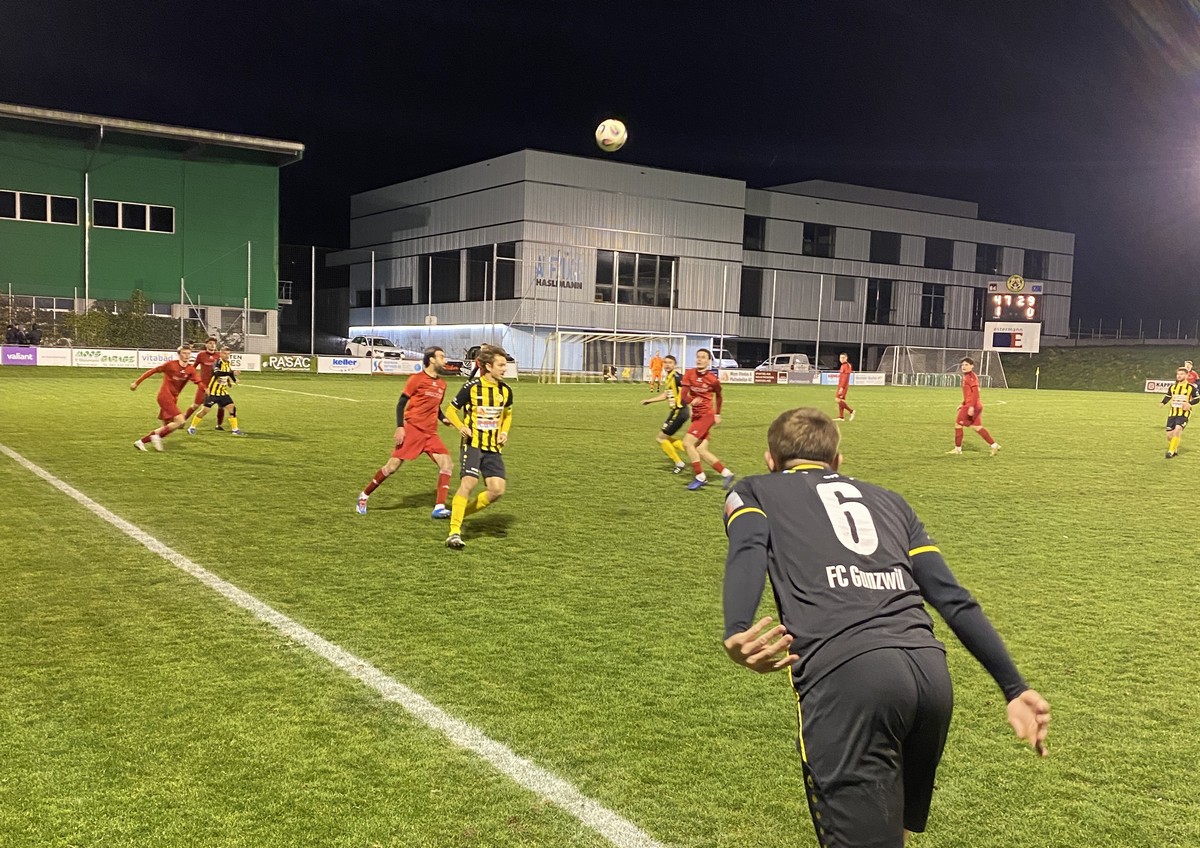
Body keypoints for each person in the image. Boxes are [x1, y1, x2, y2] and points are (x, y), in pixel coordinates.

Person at [722, 407, 1050, 847]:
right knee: (891, 835)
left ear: (770, 460)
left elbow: (747, 546)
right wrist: (1013, 686)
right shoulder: (892, 502)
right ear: (837, 461)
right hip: (929, 677)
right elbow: (952, 598)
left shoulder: (754, 490)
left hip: (850, 679)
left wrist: (737, 628)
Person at [357, 346, 455, 518]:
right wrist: (400, 427)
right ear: (431, 359)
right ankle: (364, 495)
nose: (444, 360)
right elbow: (401, 403)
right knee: (392, 467)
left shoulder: (442, 384)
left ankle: (439, 507)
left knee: (447, 464)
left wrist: (444, 419)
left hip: (431, 433)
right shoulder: (416, 379)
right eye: (441, 356)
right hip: (413, 430)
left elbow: (436, 407)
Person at [443, 347, 513, 550]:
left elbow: (507, 414)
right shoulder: (471, 387)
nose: (504, 369)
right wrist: (461, 427)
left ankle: (460, 513)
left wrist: (504, 432)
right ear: (488, 366)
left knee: (497, 490)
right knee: (469, 482)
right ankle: (454, 533)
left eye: (505, 365)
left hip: (493, 447)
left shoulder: (505, 390)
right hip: (472, 444)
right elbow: (450, 410)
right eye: (501, 365)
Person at [130, 344, 206, 451]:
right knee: (180, 421)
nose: (186, 355)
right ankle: (155, 437)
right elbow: (153, 371)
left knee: (169, 425)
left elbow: (199, 382)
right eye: (184, 353)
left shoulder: (190, 369)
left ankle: (142, 442)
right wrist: (136, 383)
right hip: (164, 397)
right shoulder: (170, 365)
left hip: (173, 399)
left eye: (188, 353)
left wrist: (206, 390)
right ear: (179, 354)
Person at [680, 348, 735, 490]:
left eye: (703, 357)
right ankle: (726, 473)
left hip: (706, 416)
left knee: (687, 443)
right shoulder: (689, 374)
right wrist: (691, 400)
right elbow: (683, 395)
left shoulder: (713, 380)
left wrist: (717, 414)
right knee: (701, 449)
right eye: (698, 356)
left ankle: (700, 477)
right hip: (696, 416)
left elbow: (719, 396)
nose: (699, 359)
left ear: (709, 361)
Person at [640, 353, 688, 472]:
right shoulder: (669, 378)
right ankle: (690, 449)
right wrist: (649, 401)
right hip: (675, 412)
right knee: (664, 438)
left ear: (675, 365)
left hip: (679, 411)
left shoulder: (677, 377)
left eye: (670, 363)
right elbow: (666, 395)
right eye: (665, 362)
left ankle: (679, 462)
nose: (667, 365)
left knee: (661, 438)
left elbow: (689, 387)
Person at [186, 345, 245, 436]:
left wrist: (234, 379)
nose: (227, 356)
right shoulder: (217, 362)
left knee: (232, 408)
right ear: (220, 354)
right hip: (212, 392)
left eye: (228, 354)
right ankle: (191, 427)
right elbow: (217, 373)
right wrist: (232, 372)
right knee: (204, 411)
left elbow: (228, 372)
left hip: (223, 392)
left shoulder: (228, 363)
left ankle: (235, 430)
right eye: (225, 354)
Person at [948, 357, 999, 456]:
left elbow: (975, 393)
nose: (964, 367)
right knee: (977, 427)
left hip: (972, 405)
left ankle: (958, 449)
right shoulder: (967, 376)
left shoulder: (971, 377)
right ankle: (994, 445)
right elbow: (969, 394)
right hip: (974, 405)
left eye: (966, 365)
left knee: (958, 425)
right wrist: (963, 403)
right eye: (962, 365)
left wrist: (971, 407)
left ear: (972, 366)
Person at [184, 337, 226, 427]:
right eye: (210, 343)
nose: (212, 345)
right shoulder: (201, 355)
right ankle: (182, 421)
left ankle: (219, 425)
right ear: (206, 345)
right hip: (203, 385)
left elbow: (224, 368)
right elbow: (193, 367)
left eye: (214, 343)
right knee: (195, 405)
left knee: (221, 405)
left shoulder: (219, 355)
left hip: (216, 385)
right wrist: (190, 376)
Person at [1161, 365, 1199, 458]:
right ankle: (1175, 449)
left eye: (1181, 374)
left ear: (1186, 375)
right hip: (1172, 413)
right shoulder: (1173, 387)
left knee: (1177, 429)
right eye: (1178, 374)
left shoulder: (1191, 387)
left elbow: (1197, 398)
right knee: (1169, 435)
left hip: (1184, 413)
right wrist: (1163, 402)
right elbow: (1168, 396)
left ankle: (1170, 452)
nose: (1179, 376)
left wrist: (1189, 403)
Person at [836, 351, 855, 421]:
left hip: (843, 386)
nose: (841, 359)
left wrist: (842, 387)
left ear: (846, 358)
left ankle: (851, 411)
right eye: (840, 358)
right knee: (840, 401)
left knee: (838, 400)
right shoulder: (843, 365)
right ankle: (841, 417)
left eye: (843, 358)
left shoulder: (846, 365)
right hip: (841, 385)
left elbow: (845, 378)